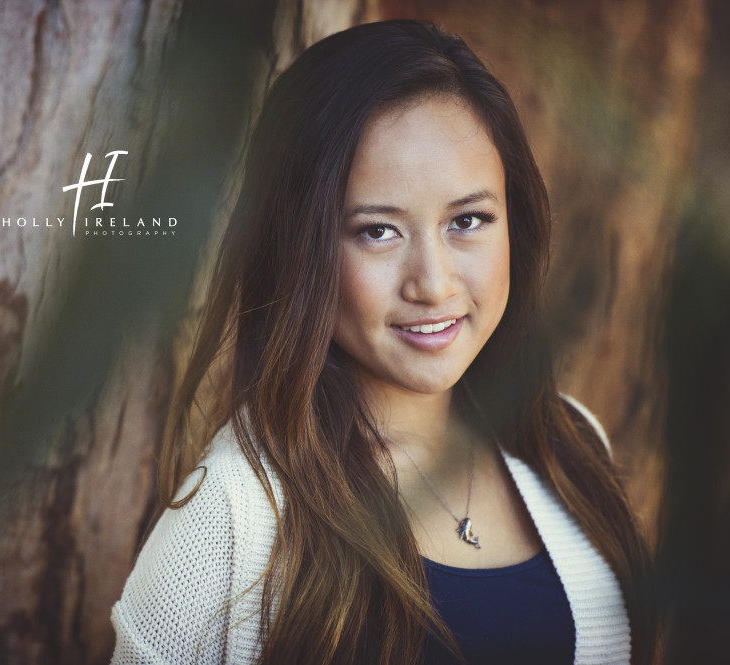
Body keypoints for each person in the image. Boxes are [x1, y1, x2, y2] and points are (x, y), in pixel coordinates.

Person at [110, 19, 654, 665]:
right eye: (377, 232)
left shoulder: (569, 442)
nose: (434, 283)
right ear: (299, 248)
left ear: (518, 224)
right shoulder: (229, 516)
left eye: (469, 220)